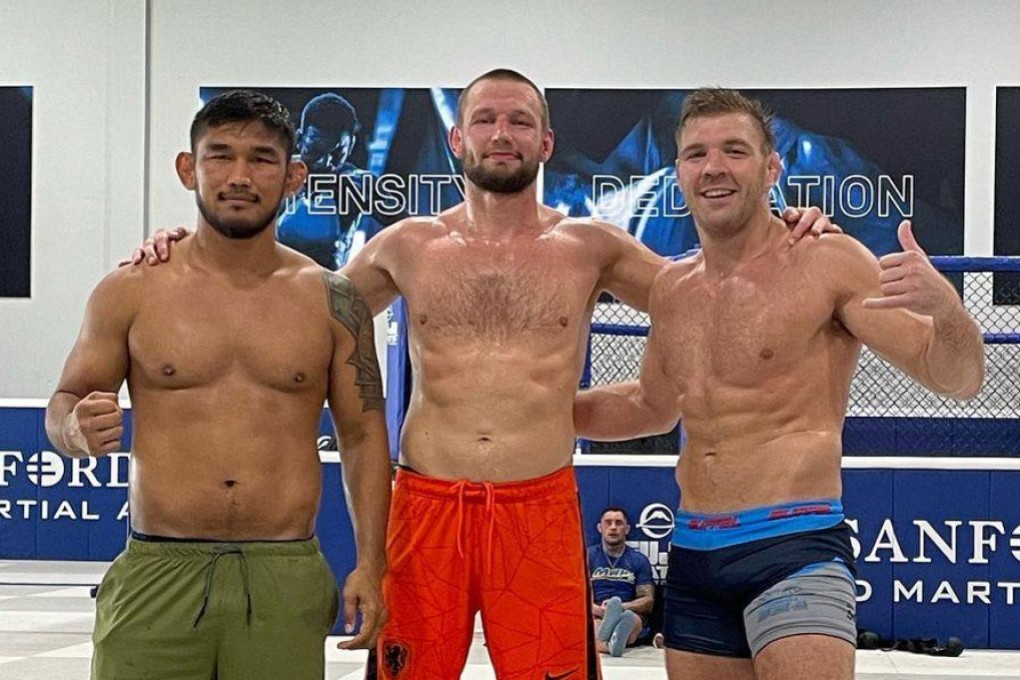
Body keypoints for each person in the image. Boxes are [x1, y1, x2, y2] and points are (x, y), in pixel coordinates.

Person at [131, 71, 836, 680]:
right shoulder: (408, 245)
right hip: (426, 508)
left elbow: (711, 290)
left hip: (540, 511)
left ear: (546, 143)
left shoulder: (590, 247)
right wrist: (188, 249)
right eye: (486, 120)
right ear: (457, 141)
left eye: (521, 121)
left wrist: (783, 234)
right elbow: (294, 308)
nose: (503, 133)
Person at [573, 88, 985, 680]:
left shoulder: (827, 260)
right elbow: (651, 405)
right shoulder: (673, 289)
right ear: (677, 172)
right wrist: (548, 411)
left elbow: (959, 378)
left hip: (793, 548)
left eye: (734, 150)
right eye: (696, 154)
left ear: (772, 167)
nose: (713, 167)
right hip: (692, 552)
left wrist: (947, 311)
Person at [46, 90, 392, 680]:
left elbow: (362, 437)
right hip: (158, 569)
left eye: (261, 158)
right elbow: (65, 403)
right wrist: (75, 430)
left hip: (284, 573)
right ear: (188, 168)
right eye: (219, 155)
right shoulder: (130, 289)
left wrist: (370, 563)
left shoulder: (333, 300)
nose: (239, 175)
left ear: (294, 177)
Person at [277, 92, 385, 268]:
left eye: (337, 154)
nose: (325, 162)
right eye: (315, 152)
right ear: (299, 139)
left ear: (350, 146)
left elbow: (414, 232)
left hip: (327, 288)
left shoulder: (357, 184)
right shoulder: (273, 175)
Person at [589, 506, 654, 657]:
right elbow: (577, 596)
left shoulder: (639, 560)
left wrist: (620, 608)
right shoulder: (588, 557)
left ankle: (606, 642)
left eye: (618, 523)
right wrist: (599, 610)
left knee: (632, 621)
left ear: (627, 528)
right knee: (597, 625)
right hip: (596, 612)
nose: (613, 527)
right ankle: (612, 643)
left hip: (629, 611)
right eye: (608, 523)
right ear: (600, 527)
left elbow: (648, 600)